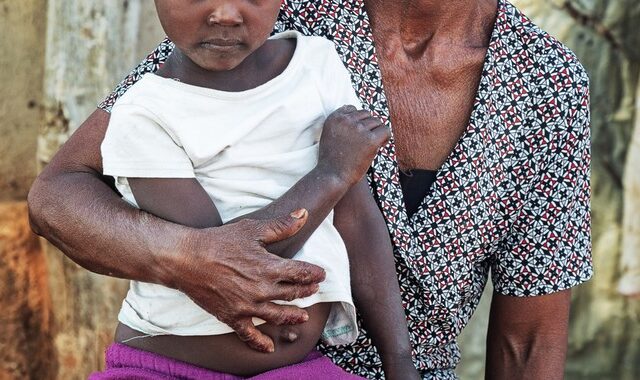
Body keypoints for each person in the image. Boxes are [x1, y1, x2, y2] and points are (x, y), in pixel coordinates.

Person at [28, 0, 593, 378]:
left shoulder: (543, 77)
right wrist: (194, 259)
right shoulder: (273, 21)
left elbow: (529, 341)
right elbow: (59, 194)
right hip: (206, 359)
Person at [86, 0, 419, 378]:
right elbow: (235, 266)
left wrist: (400, 362)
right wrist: (330, 175)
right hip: (168, 369)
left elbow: (357, 219)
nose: (226, 14)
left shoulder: (318, 66)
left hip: (300, 367)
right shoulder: (145, 115)